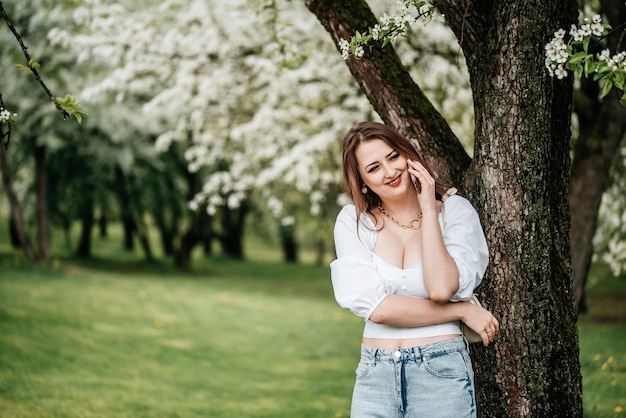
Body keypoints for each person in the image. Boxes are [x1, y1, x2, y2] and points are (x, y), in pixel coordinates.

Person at [330, 121, 499, 418]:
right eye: (374, 168)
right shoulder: (354, 222)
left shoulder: (455, 213)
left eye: (393, 157)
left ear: (408, 155)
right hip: (375, 373)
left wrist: (427, 206)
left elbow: (441, 288)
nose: (390, 171)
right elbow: (378, 308)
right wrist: (460, 311)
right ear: (364, 181)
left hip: (441, 370)